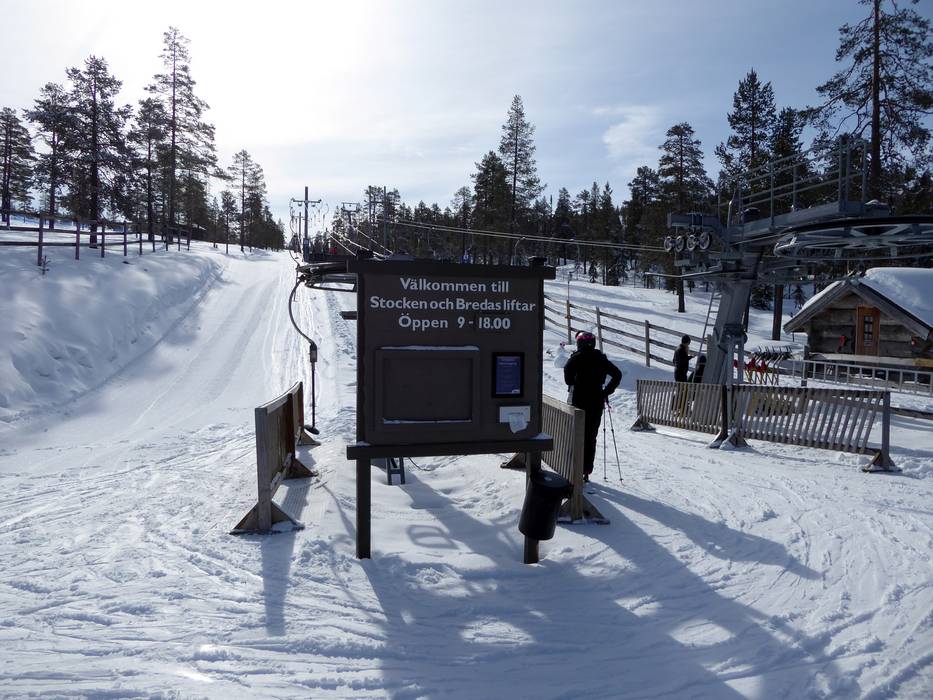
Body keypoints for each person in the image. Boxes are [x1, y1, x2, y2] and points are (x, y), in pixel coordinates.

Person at [563, 331, 623, 481]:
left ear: (579, 343)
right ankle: (586, 470)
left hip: (578, 400)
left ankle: (573, 468)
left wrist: (573, 382)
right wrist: (606, 392)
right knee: (590, 436)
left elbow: (567, 375)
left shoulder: (576, 357)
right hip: (596, 400)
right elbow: (617, 374)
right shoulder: (600, 358)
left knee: (576, 434)